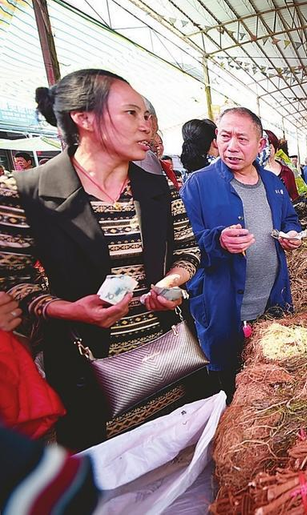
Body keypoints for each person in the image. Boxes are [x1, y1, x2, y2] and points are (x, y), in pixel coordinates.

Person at [0, 69, 201, 450]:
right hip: (86, 367)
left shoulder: (156, 188)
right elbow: (12, 281)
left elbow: (188, 251)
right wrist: (66, 310)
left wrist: (169, 283)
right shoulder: (23, 192)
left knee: (174, 458)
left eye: (148, 115)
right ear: (85, 119)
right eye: (132, 113)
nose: (148, 125)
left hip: (165, 359)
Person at [180, 107, 302, 400]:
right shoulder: (198, 184)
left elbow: (290, 220)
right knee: (228, 390)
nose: (232, 146)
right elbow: (183, 245)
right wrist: (218, 241)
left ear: (261, 145)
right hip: (223, 306)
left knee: (270, 384)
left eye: (242, 139)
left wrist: (292, 235)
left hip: (272, 303)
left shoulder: (273, 184)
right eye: (225, 137)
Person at [262, 129, 300, 202]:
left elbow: (294, 197)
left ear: (276, 149)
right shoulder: (254, 173)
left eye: (269, 146)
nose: (265, 150)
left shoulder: (286, 172)